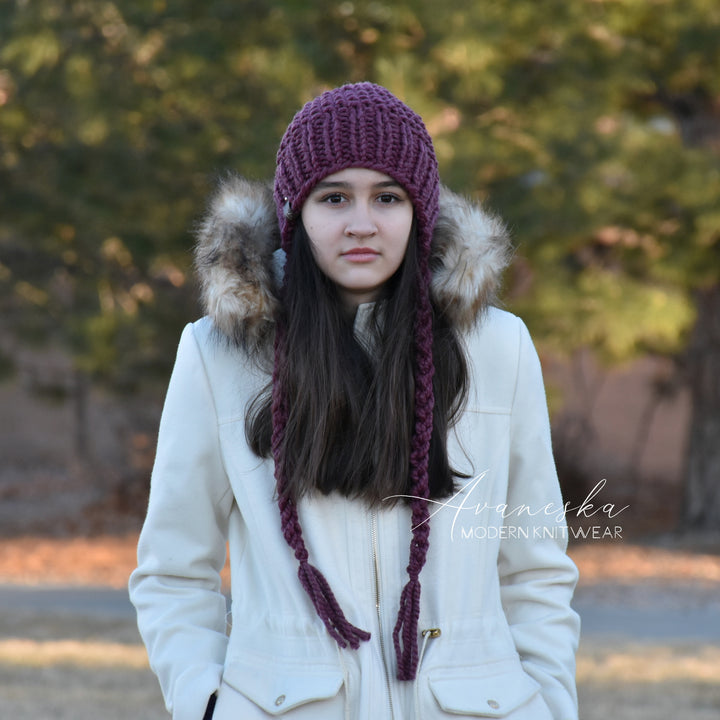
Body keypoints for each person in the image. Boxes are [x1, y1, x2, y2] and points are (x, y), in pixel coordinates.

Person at [129, 82, 580, 720]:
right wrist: (205, 702)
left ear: (419, 210)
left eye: (387, 197)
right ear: (295, 212)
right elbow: (173, 572)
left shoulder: (498, 347)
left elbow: (535, 567)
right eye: (334, 197)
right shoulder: (219, 354)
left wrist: (550, 703)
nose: (361, 223)